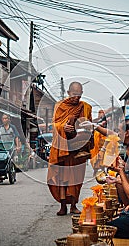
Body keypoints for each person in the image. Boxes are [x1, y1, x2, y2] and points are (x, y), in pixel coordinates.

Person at [47, 81, 93, 216]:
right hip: (63, 147)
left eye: (79, 95)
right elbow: (54, 124)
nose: (76, 97)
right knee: (62, 178)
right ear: (68, 93)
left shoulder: (86, 107)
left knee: (76, 178)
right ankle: (62, 206)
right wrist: (63, 127)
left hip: (78, 148)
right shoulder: (60, 106)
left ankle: (73, 205)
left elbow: (89, 125)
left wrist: (84, 129)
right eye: (74, 94)